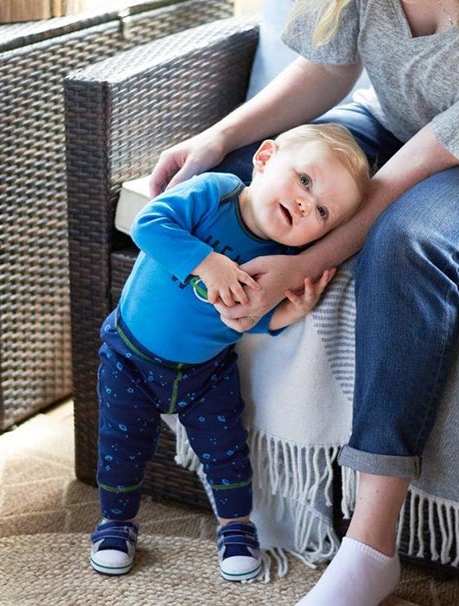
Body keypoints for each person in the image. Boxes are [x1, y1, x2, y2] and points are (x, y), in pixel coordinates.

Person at [148, 0, 459, 604]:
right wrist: (216, 139)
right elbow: (327, 70)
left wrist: (299, 265)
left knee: (404, 241)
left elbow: (396, 185)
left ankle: (370, 549)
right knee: (245, 177)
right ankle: (163, 390)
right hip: (404, 119)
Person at [90, 123, 369, 582]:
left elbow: (247, 318)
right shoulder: (216, 193)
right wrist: (209, 263)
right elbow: (149, 224)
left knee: (227, 453)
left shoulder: (277, 257)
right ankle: (115, 524)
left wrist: (288, 313)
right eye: (304, 180)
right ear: (264, 159)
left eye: (321, 211)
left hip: (206, 373)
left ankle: (237, 529)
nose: (304, 203)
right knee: (121, 446)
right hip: (131, 356)